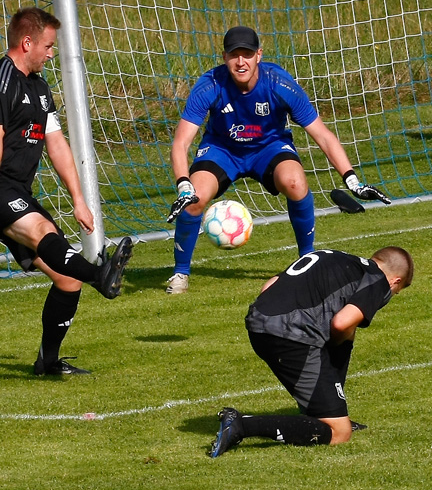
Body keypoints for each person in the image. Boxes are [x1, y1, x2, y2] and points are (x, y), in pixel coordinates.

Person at [0, 7, 134, 376]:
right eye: (48, 46)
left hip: (15, 189)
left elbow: (56, 144)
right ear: (27, 43)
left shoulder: (38, 88)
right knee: (44, 234)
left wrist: (79, 201)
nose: (51, 53)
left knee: (67, 280)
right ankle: (99, 275)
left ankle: (48, 362)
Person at [166, 26, 391, 294]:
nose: (241, 62)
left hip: (269, 147)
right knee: (196, 199)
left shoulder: (280, 84)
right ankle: (180, 273)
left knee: (295, 182)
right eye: (234, 55)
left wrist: (352, 180)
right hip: (222, 149)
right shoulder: (210, 85)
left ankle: (306, 260)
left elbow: (323, 135)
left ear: (259, 55)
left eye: (247, 54)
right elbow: (180, 143)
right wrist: (184, 185)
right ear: (224, 57)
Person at [209, 246, 413, 457]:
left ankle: (330, 409)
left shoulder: (331, 256)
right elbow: (341, 324)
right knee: (339, 433)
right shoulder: (377, 279)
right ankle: (242, 425)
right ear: (395, 281)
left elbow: (269, 285)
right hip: (290, 336)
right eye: (396, 292)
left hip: (258, 325)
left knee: (347, 335)